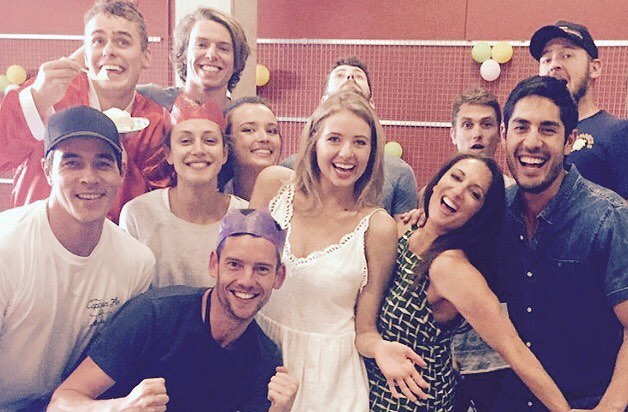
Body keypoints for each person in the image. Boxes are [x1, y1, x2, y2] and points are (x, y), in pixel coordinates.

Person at [363, 152, 571, 411]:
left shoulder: (450, 268)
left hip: (414, 402)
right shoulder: (404, 230)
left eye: (475, 194)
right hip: (372, 393)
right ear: (437, 182)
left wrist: (564, 410)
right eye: (456, 177)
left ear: (479, 214)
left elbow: (512, 347)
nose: (458, 192)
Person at [48, 208, 299, 412]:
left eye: (262, 269)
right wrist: (122, 407)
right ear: (214, 264)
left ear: (279, 277)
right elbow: (61, 403)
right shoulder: (154, 316)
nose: (246, 280)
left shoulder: (264, 358)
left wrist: (279, 410)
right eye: (234, 264)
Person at [250, 91, 398, 410]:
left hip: (330, 381)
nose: (347, 153)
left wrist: (381, 349)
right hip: (257, 355)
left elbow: (365, 330)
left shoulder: (378, 227)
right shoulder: (273, 186)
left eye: (360, 142)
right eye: (334, 139)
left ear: (373, 152)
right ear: (314, 140)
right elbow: (240, 270)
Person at [0, 106, 155, 411]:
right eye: (72, 163)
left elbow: (112, 361)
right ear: (47, 171)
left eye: (103, 164)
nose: (89, 178)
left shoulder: (137, 263)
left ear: (121, 171)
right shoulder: (6, 246)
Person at [492, 75, 627, 410]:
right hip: (512, 400)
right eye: (521, 127)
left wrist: (609, 408)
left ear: (570, 141)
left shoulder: (608, 218)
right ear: (504, 134)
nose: (532, 142)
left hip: (588, 402)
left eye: (548, 129)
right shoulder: (495, 214)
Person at [0, 0, 170, 222]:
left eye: (122, 42)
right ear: (86, 53)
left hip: (115, 239)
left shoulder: (154, 121)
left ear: (145, 56)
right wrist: (37, 101)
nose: (109, 51)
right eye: (98, 41)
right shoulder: (53, 95)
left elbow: (160, 203)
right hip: (36, 235)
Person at [119, 96, 248, 288]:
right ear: (168, 153)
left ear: (224, 153)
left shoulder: (245, 216)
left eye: (210, 141)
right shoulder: (138, 214)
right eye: (186, 141)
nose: (198, 150)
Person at [282, 56, 419, 221]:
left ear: (372, 103)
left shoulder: (400, 172)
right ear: (323, 102)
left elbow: (403, 232)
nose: (350, 77)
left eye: (358, 76)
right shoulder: (289, 169)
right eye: (340, 75)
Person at [531, 20, 628, 198]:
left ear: (594, 68)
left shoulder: (618, 132)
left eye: (567, 55)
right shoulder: (533, 134)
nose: (554, 64)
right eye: (547, 59)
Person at [137, 7, 250, 111]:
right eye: (201, 45)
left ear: (236, 62)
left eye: (223, 48)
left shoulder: (241, 119)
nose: (211, 55)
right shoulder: (149, 99)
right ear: (183, 53)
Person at [219, 96, 282, 200]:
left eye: (271, 131)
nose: (264, 138)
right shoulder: (213, 200)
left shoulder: (299, 198)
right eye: (249, 130)